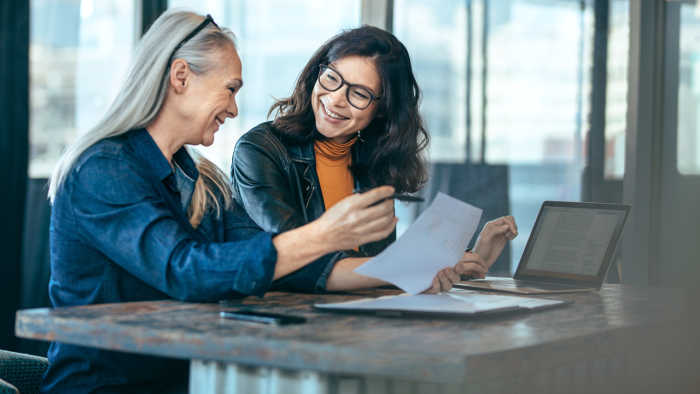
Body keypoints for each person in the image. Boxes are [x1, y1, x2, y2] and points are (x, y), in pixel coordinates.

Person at [43, 11, 473, 393]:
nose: (233, 108)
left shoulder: (197, 175)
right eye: (229, 89)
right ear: (180, 77)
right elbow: (185, 270)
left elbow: (278, 263)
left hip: (185, 378)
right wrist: (324, 234)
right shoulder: (103, 169)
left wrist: (410, 272)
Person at [231, 26, 518, 288]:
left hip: (354, 322)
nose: (335, 99)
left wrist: (468, 260)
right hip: (284, 324)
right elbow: (295, 259)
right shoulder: (260, 149)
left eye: (359, 93)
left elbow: (379, 268)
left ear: (381, 109)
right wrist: (412, 268)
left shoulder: (374, 163)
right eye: (331, 78)